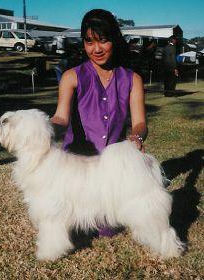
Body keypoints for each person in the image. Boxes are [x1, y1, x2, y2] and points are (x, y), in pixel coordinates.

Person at [51, 9, 148, 237]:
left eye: (103, 41)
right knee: (73, 228)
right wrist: (44, 128)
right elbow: (61, 118)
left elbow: (140, 123)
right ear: (83, 43)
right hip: (75, 171)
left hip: (112, 171)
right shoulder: (71, 77)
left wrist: (137, 137)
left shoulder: (133, 79)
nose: (96, 49)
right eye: (89, 42)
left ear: (114, 39)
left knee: (107, 230)